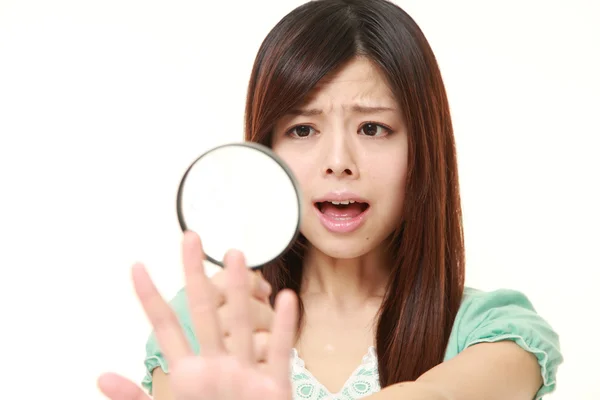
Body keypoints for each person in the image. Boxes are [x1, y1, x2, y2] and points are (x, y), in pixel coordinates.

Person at [97, 0, 563, 399]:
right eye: (303, 130)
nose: (338, 161)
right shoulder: (208, 328)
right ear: (265, 151)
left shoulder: (495, 332)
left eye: (372, 128)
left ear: (423, 149)